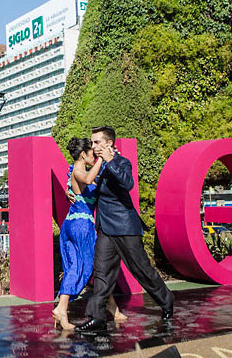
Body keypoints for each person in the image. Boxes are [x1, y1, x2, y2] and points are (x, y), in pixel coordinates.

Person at [74, 127, 175, 332]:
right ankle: (97, 317)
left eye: (96, 142)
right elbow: (88, 185)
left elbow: (127, 183)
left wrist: (110, 160)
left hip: (125, 226)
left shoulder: (121, 162)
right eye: (92, 143)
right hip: (105, 229)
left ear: (109, 144)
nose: (93, 146)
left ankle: (166, 301)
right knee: (102, 273)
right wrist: (71, 193)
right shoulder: (99, 166)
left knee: (141, 269)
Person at [52, 137, 124, 330]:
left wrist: (109, 156)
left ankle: (66, 308)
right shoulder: (78, 170)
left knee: (83, 265)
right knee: (91, 266)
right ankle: (64, 307)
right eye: (92, 153)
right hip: (81, 226)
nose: (95, 155)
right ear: (83, 155)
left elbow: (88, 181)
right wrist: (102, 158)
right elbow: (88, 179)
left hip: (73, 224)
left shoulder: (75, 170)